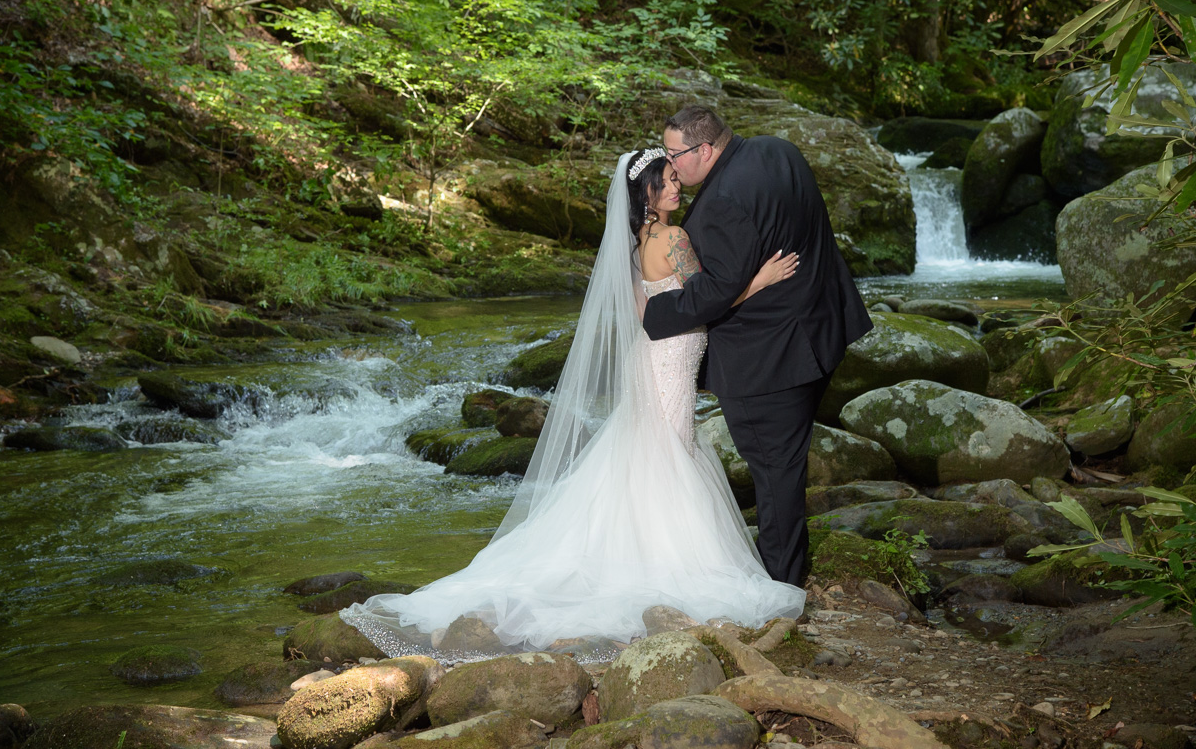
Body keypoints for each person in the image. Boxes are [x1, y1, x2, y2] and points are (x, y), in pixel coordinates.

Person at [340, 149, 806, 661]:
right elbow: (705, 300)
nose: (677, 188)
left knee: (650, 455)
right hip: (669, 359)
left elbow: (647, 310)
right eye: (666, 181)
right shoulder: (672, 238)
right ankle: (657, 567)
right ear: (645, 193)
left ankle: (630, 553)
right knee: (668, 458)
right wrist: (758, 280)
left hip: (653, 356)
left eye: (677, 178)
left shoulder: (636, 243)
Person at [642, 106, 873, 589]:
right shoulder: (778, 150)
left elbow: (716, 291)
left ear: (704, 149)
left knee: (774, 475)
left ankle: (781, 587)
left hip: (767, 361)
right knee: (786, 467)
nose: (672, 167)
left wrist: (651, 315)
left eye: (675, 154)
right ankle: (787, 569)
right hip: (822, 330)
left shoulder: (723, 199)